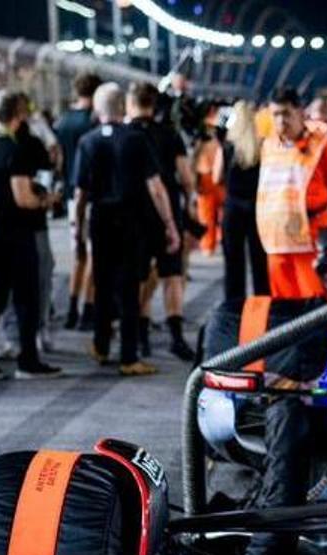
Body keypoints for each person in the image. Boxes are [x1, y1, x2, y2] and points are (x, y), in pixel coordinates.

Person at [74, 83, 180, 376]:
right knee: (130, 287)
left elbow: (80, 194)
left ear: (98, 110)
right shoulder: (136, 139)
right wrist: (170, 224)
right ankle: (129, 357)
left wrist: (77, 228)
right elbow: (156, 187)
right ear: (123, 108)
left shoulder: (88, 141)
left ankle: (100, 345)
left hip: (100, 220)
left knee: (102, 283)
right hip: (131, 220)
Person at [0, 91, 60, 380]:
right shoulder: (15, 151)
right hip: (18, 232)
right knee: (26, 297)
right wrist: (47, 200)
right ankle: (27, 360)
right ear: (17, 116)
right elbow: (23, 197)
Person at [256, 87, 327, 300]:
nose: (280, 121)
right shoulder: (269, 145)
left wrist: (315, 210)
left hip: (310, 235)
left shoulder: (322, 146)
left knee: (315, 299)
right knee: (283, 302)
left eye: (286, 113)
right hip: (276, 238)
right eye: (275, 114)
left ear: (300, 112)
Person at [127, 82, 196, 362]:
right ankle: (176, 336)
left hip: (136, 213)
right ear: (154, 105)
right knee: (172, 275)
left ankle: (142, 337)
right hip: (169, 211)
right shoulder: (170, 134)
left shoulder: (127, 135)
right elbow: (186, 176)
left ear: (131, 103)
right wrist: (189, 202)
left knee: (141, 275)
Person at [54, 72, 101, 331]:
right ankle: (88, 309)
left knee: (78, 253)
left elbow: (59, 159)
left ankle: (71, 306)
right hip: (93, 194)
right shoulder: (93, 122)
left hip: (73, 193)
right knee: (95, 254)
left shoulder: (63, 122)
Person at [221, 100, 268, 301]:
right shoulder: (263, 145)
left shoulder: (228, 146)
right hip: (257, 209)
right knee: (260, 261)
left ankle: (234, 306)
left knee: (233, 261)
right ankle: (263, 304)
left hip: (233, 207)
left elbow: (216, 176)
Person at [195, 101, 225, 257]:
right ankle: (208, 244)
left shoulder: (215, 130)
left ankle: (210, 244)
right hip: (209, 174)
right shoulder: (204, 131)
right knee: (208, 213)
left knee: (209, 213)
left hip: (212, 174)